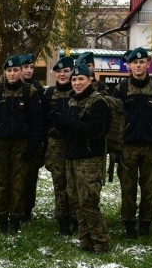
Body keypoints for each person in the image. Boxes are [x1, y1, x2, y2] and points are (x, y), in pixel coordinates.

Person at [114, 47, 152, 238]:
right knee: (127, 188)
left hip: (151, 147)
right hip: (127, 148)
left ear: (147, 64)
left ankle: (146, 223)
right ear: (129, 65)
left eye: (142, 62)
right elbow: (114, 121)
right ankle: (129, 224)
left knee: (149, 189)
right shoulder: (121, 89)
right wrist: (114, 148)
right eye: (134, 63)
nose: (138, 66)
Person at [0, 55, 43, 234]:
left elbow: (37, 122)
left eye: (16, 70)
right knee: (1, 183)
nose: (13, 73)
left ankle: (16, 219)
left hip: (21, 145)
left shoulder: (29, 92)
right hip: (0, 145)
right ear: (5, 72)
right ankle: (1, 218)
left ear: (21, 71)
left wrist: (32, 147)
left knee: (18, 184)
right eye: (9, 70)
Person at [51, 63, 110, 253]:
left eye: (81, 79)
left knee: (88, 202)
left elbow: (96, 130)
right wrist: (59, 123)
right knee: (76, 201)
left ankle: (100, 241)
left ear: (90, 80)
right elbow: (69, 130)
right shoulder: (72, 100)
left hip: (90, 159)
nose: (76, 83)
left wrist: (70, 122)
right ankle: (85, 240)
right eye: (74, 79)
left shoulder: (98, 102)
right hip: (72, 157)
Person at [42, 56, 76, 235]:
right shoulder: (49, 94)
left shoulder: (78, 90)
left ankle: (76, 218)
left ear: (72, 72)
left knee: (75, 183)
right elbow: (42, 121)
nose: (62, 75)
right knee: (59, 184)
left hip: (75, 143)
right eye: (59, 72)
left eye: (66, 71)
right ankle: (63, 220)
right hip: (56, 145)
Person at [18, 53, 46, 223]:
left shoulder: (38, 89)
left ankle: (27, 210)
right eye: (25, 67)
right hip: (16, 140)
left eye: (31, 67)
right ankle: (14, 208)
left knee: (30, 178)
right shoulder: (8, 87)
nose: (29, 71)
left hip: (33, 140)